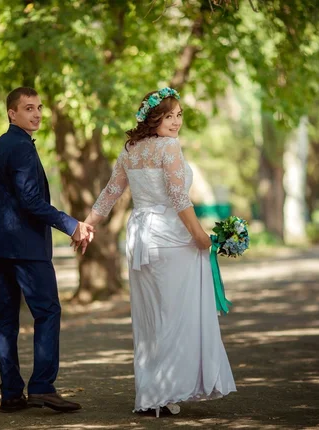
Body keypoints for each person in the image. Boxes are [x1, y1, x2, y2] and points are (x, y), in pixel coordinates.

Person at [76, 87, 236, 417]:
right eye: (168, 116)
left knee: (149, 317)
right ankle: (167, 388)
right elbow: (179, 198)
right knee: (176, 314)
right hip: (170, 238)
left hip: (139, 237)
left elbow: (110, 193)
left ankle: (152, 394)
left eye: (179, 115)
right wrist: (201, 235)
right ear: (153, 118)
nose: (176, 122)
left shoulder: (130, 150)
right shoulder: (168, 147)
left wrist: (86, 224)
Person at [0, 87, 94, 413]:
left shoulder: (0, 147)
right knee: (47, 312)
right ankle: (43, 388)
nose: (37, 114)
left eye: (40, 108)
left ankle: (11, 394)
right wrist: (71, 224)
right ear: (11, 113)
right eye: (28, 108)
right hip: (25, 248)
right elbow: (31, 201)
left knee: (6, 319)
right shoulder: (20, 147)